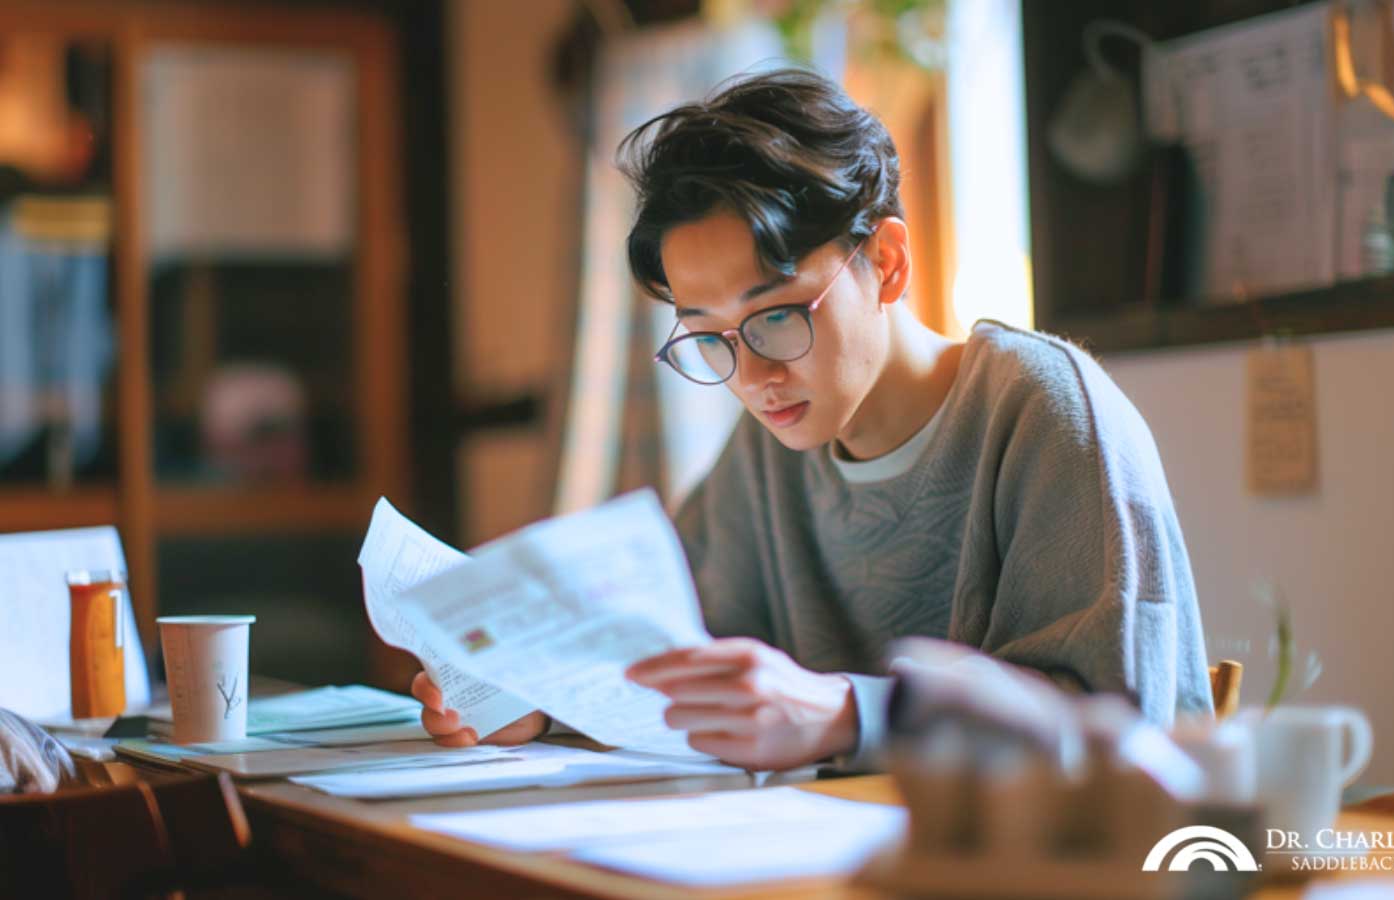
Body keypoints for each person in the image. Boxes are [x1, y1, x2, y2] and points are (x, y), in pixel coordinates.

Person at [413, 68, 1211, 770]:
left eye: (777, 316)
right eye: (708, 336)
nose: (754, 375)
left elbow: (1115, 725)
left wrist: (843, 714)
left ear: (888, 263)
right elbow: (668, 651)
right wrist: (541, 698)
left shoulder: (1043, 411)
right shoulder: (770, 447)